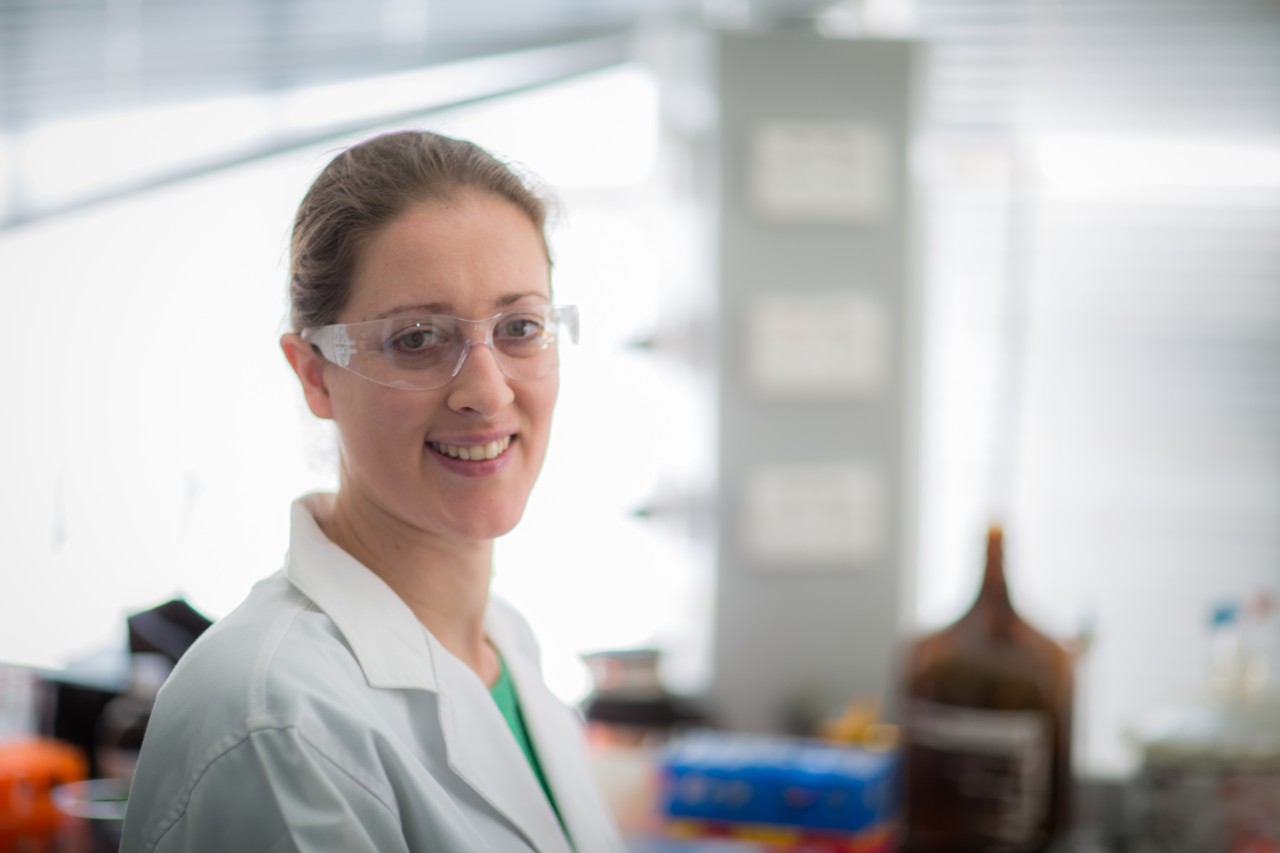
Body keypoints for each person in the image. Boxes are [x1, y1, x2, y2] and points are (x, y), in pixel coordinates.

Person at [121, 130, 625, 852]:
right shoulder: (272, 718)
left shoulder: (508, 642)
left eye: (520, 327)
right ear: (315, 375)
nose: (487, 392)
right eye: (417, 338)